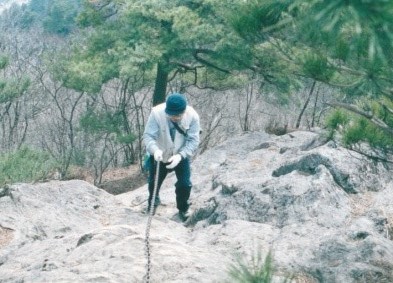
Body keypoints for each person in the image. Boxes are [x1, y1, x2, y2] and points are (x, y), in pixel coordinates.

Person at [143, 93, 200, 221]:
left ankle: (183, 208)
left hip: (180, 153)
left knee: (185, 184)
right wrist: (155, 150)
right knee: (154, 182)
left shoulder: (192, 116)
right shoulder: (157, 113)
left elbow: (193, 140)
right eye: (171, 115)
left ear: (184, 111)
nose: (174, 118)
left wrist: (181, 156)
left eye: (178, 115)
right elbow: (148, 136)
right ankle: (153, 201)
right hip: (159, 152)